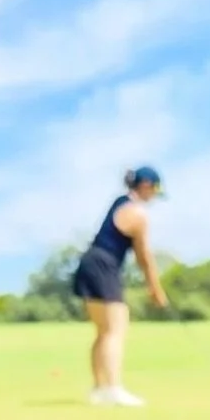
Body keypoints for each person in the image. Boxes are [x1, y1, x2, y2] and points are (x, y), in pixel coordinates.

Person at [71, 167, 168, 407]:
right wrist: (155, 289)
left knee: (104, 331)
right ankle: (113, 389)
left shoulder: (120, 202)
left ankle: (99, 389)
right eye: (154, 190)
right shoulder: (137, 212)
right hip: (104, 264)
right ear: (145, 185)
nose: (154, 196)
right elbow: (144, 255)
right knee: (116, 328)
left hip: (90, 262)